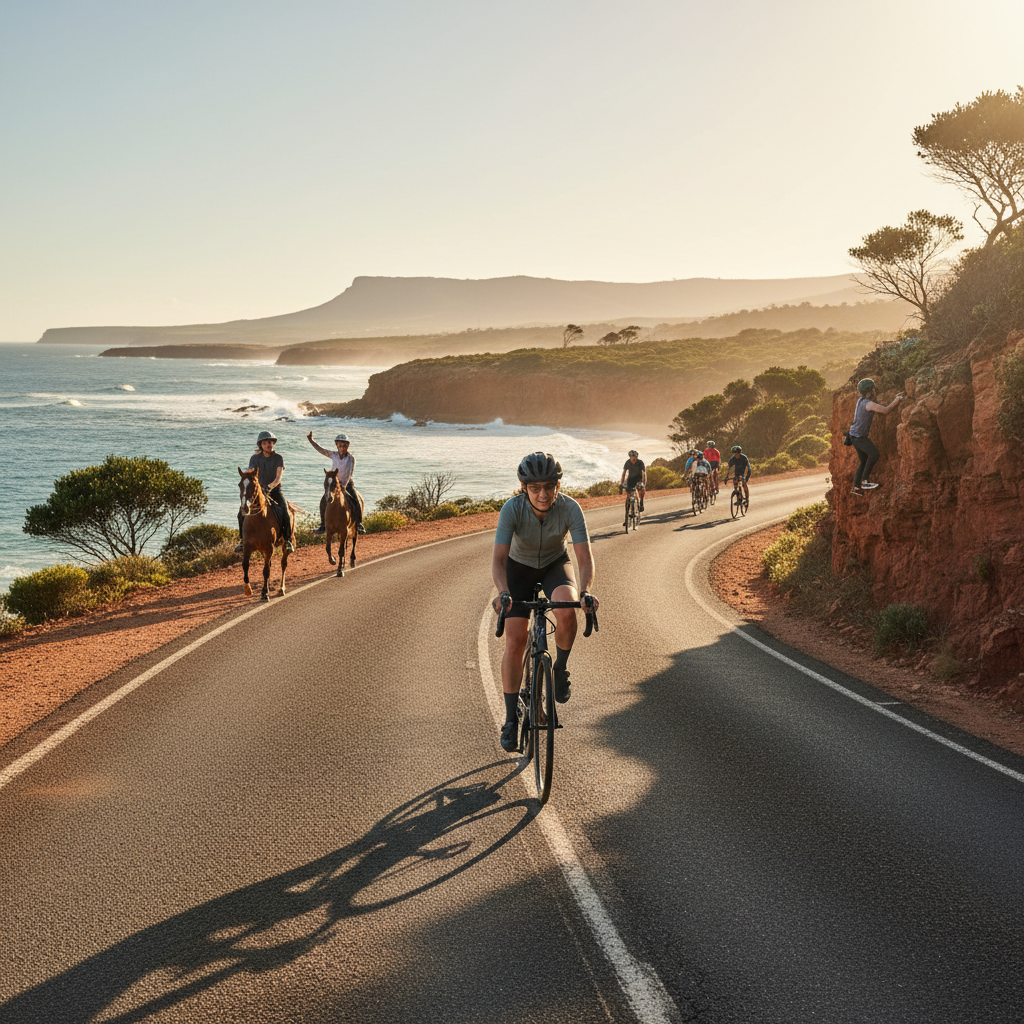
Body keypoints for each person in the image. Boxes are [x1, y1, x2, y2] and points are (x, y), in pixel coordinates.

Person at [491, 452, 599, 753]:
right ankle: (510, 720)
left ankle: (559, 669)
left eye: (548, 487)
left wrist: (586, 592)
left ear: (557, 486)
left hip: (554, 564)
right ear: (524, 487)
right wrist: (503, 592)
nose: (542, 494)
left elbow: (584, 558)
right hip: (518, 569)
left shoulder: (570, 508)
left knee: (567, 608)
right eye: (535, 487)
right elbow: (498, 560)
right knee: (516, 640)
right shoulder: (512, 509)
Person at [236, 430, 294, 553]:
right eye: (265, 443)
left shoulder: (278, 458)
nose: (268, 444)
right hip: (258, 491)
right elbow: (251, 472)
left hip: (275, 490)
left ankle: (287, 539)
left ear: (273, 444)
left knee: (284, 510)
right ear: (260, 445)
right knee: (241, 513)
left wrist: (269, 487)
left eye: (270, 442)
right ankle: (242, 541)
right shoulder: (254, 458)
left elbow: (278, 477)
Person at [849, 378, 903, 497]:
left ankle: (856, 487)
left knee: (863, 461)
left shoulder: (860, 400)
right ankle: (864, 482)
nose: (875, 391)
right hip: (860, 437)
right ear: (870, 391)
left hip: (853, 436)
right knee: (874, 454)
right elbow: (886, 410)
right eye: (873, 389)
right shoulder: (869, 404)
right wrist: (897, 400)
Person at [307, 430, 365, 534]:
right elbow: (321, 450)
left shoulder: (351, 458)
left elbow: (350, 473)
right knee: (323, 502)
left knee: (355, 501)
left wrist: (344, 485)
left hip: (347, 484)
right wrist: (311, 440)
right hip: (334, 484)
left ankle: (359, 524)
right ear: (337, 445)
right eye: (340, 445)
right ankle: (323, 526)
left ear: (348, 446)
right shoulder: (333, 454)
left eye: (344, 445)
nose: (342, 447)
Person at [618, 449, 646, 526]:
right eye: (632, 458)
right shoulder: (627, 463)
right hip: (630, 481)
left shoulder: (640, 463)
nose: (633, 459)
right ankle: (626, 519)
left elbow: (644, 474)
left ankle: (641, 502)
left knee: (641, 488)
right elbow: (624, 474)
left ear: (637, 457)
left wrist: (644, 484)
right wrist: (621, 484)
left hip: (639, 480)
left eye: (635, 457)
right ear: (630, 457)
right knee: (628, 497)